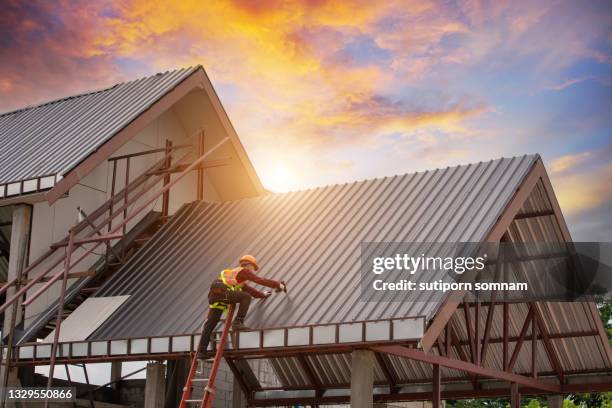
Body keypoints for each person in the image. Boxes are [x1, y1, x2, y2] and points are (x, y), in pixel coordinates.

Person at [198, 254, 286, 356]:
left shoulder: (236, 277)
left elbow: (251, 290)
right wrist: (278, 284)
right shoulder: (243, 271)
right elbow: (259, 280)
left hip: (215, 296)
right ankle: (238, 322)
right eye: (253, 267)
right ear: (248, 265)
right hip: (222, 292)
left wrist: (262, 295)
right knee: (246, 297)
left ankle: (201, 351)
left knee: (210, 324)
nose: (252, 270)